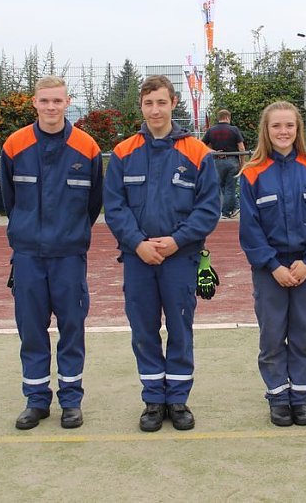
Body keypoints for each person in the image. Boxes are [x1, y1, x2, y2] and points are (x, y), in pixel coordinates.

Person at [104, 75, 220, 432]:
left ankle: (178, 399)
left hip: (180, 258)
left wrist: (176, 241)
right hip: (138, 259)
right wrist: (137, 243)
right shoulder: (124, 153)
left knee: (181, 330)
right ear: (141, 106)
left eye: (162, 102)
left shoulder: (198, 153)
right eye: (149, 103)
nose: (155, 109)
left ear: (173, 104)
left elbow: (208, 209)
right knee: (144, 330)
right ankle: (153, 399)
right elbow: (114, 206)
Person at [0, 76, 103, 430]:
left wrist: (71, 234)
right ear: (34, 103)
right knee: (31, 329)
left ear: (67, 102)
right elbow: (8, 201)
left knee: (72, 327)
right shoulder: (15, 145)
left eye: (57, 101)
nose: (51, 107)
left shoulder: (87, 147)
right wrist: (25, 233)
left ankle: (71, 400)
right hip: (28, 255)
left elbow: (94, 203)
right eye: (44, 101)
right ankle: (37, 399)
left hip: (69, 256)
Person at [238, 101, 306, 427]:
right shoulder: (251, 173)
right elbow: (250, 230)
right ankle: (279, 398)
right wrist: (273, 266)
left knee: (304, 335)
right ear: (266, 131)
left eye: (289, 126)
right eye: (276, 126)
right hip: (270, 270)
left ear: (298, 129)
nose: (283, 132)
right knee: (272, 336)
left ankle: (301, 398)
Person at [202, 109, 246, 218]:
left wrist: (213, 152)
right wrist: (243, 163)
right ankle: (227, 212)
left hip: (217, 161)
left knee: (222, 187)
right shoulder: (234, 130)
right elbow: (241, 147)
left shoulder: (211, 130)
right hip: (232, 161)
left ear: (218, 118)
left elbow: (201, 145)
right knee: (230, 187)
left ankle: (235, 207)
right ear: (228, 118)